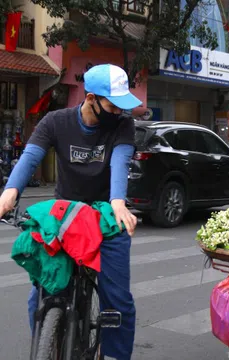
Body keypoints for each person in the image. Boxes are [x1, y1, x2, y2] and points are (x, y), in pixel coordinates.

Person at [0, 64, 140, 360]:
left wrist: (117, 202)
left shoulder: (123, 125)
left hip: (105, 217)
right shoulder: (55, 122)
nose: (119, 112)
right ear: (90, 98)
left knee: (117, 302)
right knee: (37, 298)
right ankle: (49, 348)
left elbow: (120, 162)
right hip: (65, 218)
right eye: (113, 106)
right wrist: (9, 194)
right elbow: (30, 157)